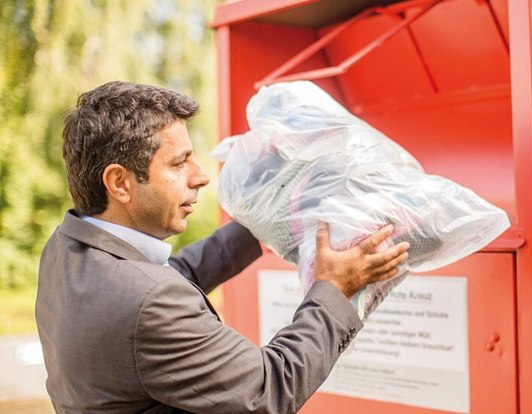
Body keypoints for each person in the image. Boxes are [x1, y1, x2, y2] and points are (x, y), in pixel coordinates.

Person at [35, 81, 410, 414]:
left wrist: (254, 227)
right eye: (179, 163)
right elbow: (270, 389)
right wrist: (334, 288)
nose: (200, 176)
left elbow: (169, 278)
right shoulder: (148, 303)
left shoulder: (67, 248)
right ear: (120, 183)